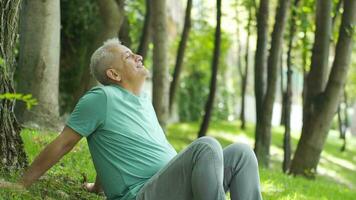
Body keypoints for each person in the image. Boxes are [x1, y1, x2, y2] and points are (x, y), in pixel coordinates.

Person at [0, 38, 262, 200]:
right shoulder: (100, 98)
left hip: (173, 188)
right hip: (143, 195)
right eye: (128, 56)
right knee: (206, 146)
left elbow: (116, 147)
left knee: (241, 153)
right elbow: (63, 144)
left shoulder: (143, 100)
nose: (138, 56)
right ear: (114, 74)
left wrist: (97, 187)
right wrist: (22, 184)